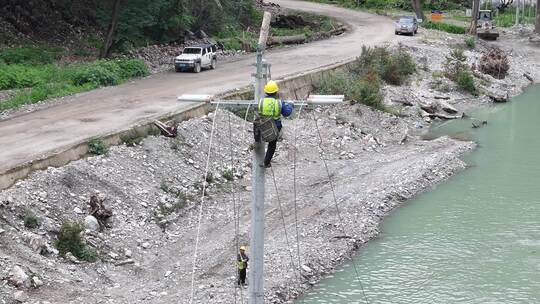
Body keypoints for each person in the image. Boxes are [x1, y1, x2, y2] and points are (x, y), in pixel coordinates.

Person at [256, 80, 294, 168]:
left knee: (257, 127)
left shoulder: (261, 101)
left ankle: (257, 141)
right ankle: (266, 162)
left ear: (266, 92)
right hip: (274, 128)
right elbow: (287, 113)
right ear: (276, 92)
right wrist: (291, 106)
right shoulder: (278, 103)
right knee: (272, 145)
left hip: (263, 126)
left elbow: (258, 112)